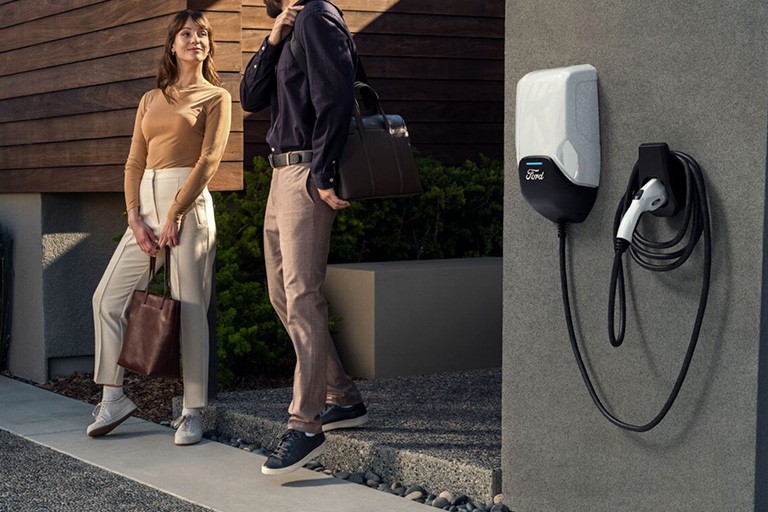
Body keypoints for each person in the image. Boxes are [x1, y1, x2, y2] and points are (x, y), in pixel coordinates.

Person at [88, 10, 231, 446]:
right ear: (172, 45)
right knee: (107, 299)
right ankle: (113, 397)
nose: (195, 39)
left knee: (189, 309)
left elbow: (209, 161)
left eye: (202, 34)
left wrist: (176, 214)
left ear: (208, 45)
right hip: (145, 207)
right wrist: (134, 214)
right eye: (186, 33)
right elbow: (134, 161)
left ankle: (192, 410)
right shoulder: (151, 99)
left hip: (186, 204)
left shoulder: (216, 97)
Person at [240, 0, 369, 475]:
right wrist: (272, 40)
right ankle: (343, 397)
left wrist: (325, 171)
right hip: (280, 175)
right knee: (281, 294)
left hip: (306, 174)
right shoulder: (291, 25)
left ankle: (306, 424)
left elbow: (335, 95)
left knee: (302, 297)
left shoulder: (318, 16)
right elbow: (251, 96)